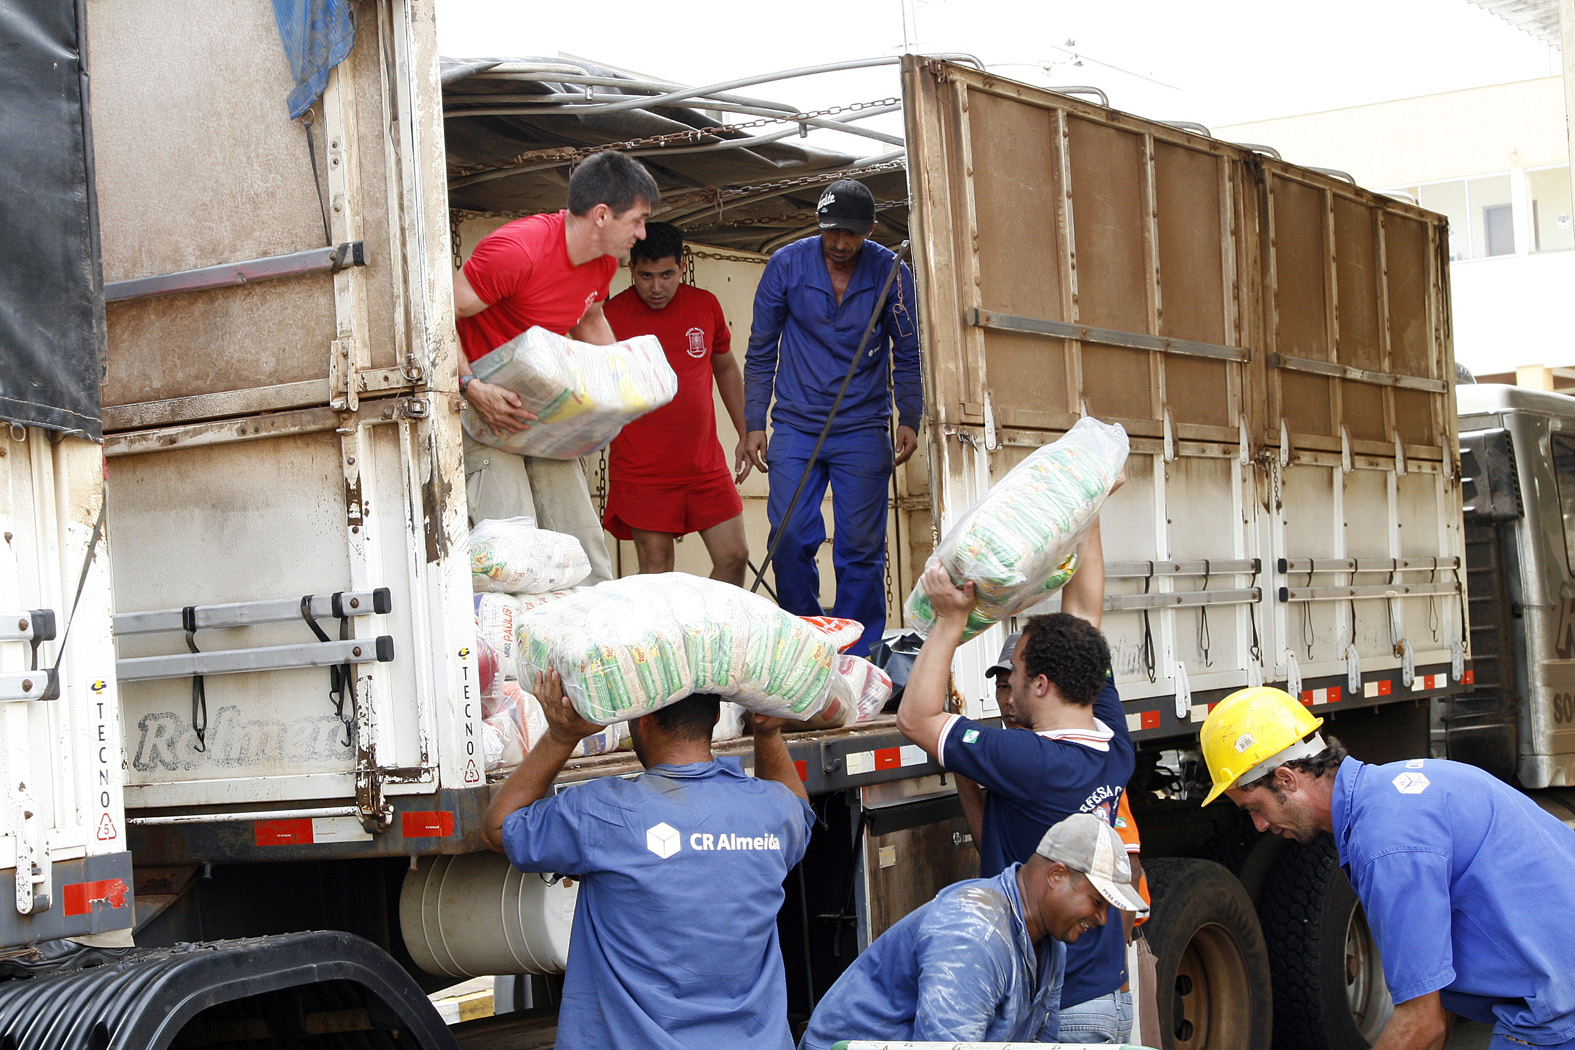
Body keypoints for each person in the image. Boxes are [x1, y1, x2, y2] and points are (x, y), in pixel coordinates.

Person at [1200, 686, 1575, 1050]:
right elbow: (1436, 1004)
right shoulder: (1401, 790)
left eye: (1254, 807)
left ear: (1285, 778)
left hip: (1558, 1013)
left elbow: (1420, 1022)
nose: (1260, 826)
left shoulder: (1386, 843)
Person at [896, 517, 1140, 1044]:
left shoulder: (1028, 759)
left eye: (1019, 671)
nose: (1012, 682)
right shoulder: (1112, 740)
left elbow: (915, 720)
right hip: (1104, 995)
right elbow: (1084, 619)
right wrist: (1088, 512)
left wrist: (949, 621)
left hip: (1062, 1008)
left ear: (1042, 684)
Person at [482, 672, 814, 1050]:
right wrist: (767, 733)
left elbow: (498, 829)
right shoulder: (772, 811)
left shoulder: (602, 811)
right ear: (717, 719)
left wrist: (562, 736)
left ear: (643, 719)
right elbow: (798, 814)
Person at [455, 150, 660, 586]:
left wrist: (624, 386)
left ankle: (592, 649)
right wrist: (470, 385)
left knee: (584, 552)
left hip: (543, 415)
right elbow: (435, 312)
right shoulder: (518, 251)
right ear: (602, 215)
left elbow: (590, 318)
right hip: (485, 412)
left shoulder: (603, 261)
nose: (642, 234)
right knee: (515, 556)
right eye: (638, 221)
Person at [742, 178, 922, 656]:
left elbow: (908, 351)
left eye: (851, 234)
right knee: (790, 537)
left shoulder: (893, 273)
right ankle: (803, 640)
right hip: (797, 426)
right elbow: (760, 350)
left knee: (860, 547)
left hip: (864, 427)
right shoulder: (785, 265)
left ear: (871, 230)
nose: (840, 244)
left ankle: (857, 654)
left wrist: (911, 414)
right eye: (831, 232)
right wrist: (754, 422)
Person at [797, 812, 1145, 1050]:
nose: (1102, 919)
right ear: (1056, 876)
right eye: (1097, 901)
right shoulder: (975, 934)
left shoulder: (1051, 940)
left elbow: (1043, 1042)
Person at [601, 221, 749, 585]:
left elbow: (726, 368)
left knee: (735, 556)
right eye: (646, 275)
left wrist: (746, 432)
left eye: (667, 275)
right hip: (642, 470)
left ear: (681, 267)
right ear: (631, 268)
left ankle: (710, 637)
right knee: (656, 574)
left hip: (703, 464)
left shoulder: (705, 305)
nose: (656, 287)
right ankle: (663, 644)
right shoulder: (609, 316)